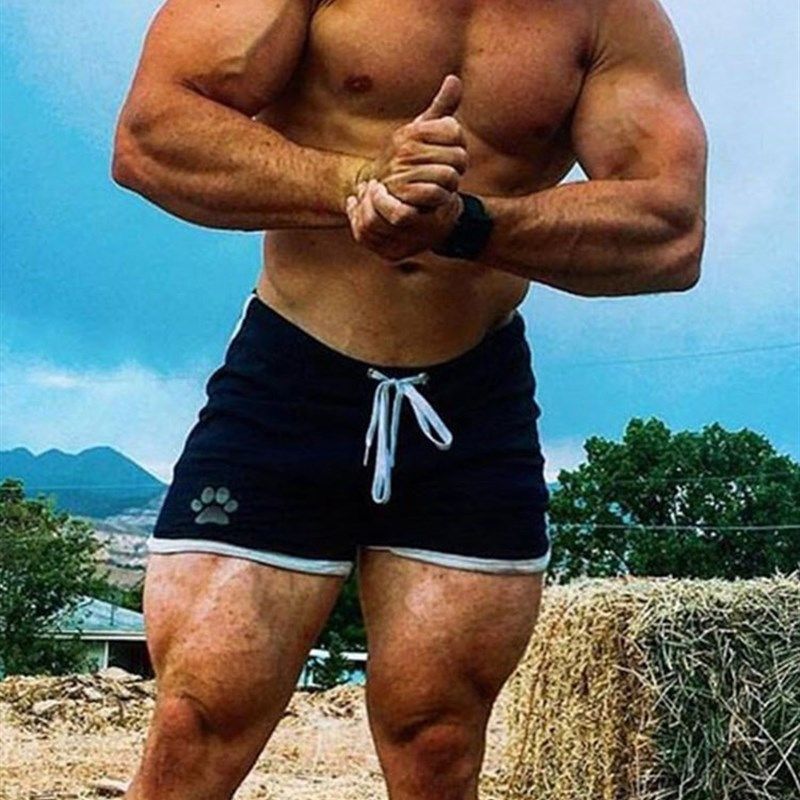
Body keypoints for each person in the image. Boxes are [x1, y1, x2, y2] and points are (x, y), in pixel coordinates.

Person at [112, 0, 706, 797]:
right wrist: (357, 183)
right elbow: (151, 133)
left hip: (470, 397)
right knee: (201, 721)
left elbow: (670, 228)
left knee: (439, 742)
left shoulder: (607, 16)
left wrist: (464, 225)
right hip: (290, 382)